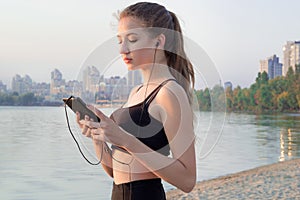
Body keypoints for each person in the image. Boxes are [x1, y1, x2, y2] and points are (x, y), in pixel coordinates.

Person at [77, 2, 196, 199]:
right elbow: (117, 172)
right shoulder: (136, 92)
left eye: (132, 40)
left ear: (159, 42)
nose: (122, 49)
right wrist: (98, 139)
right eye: (120, 41)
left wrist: (126, 140)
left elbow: (187, 180)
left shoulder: (169, 92)